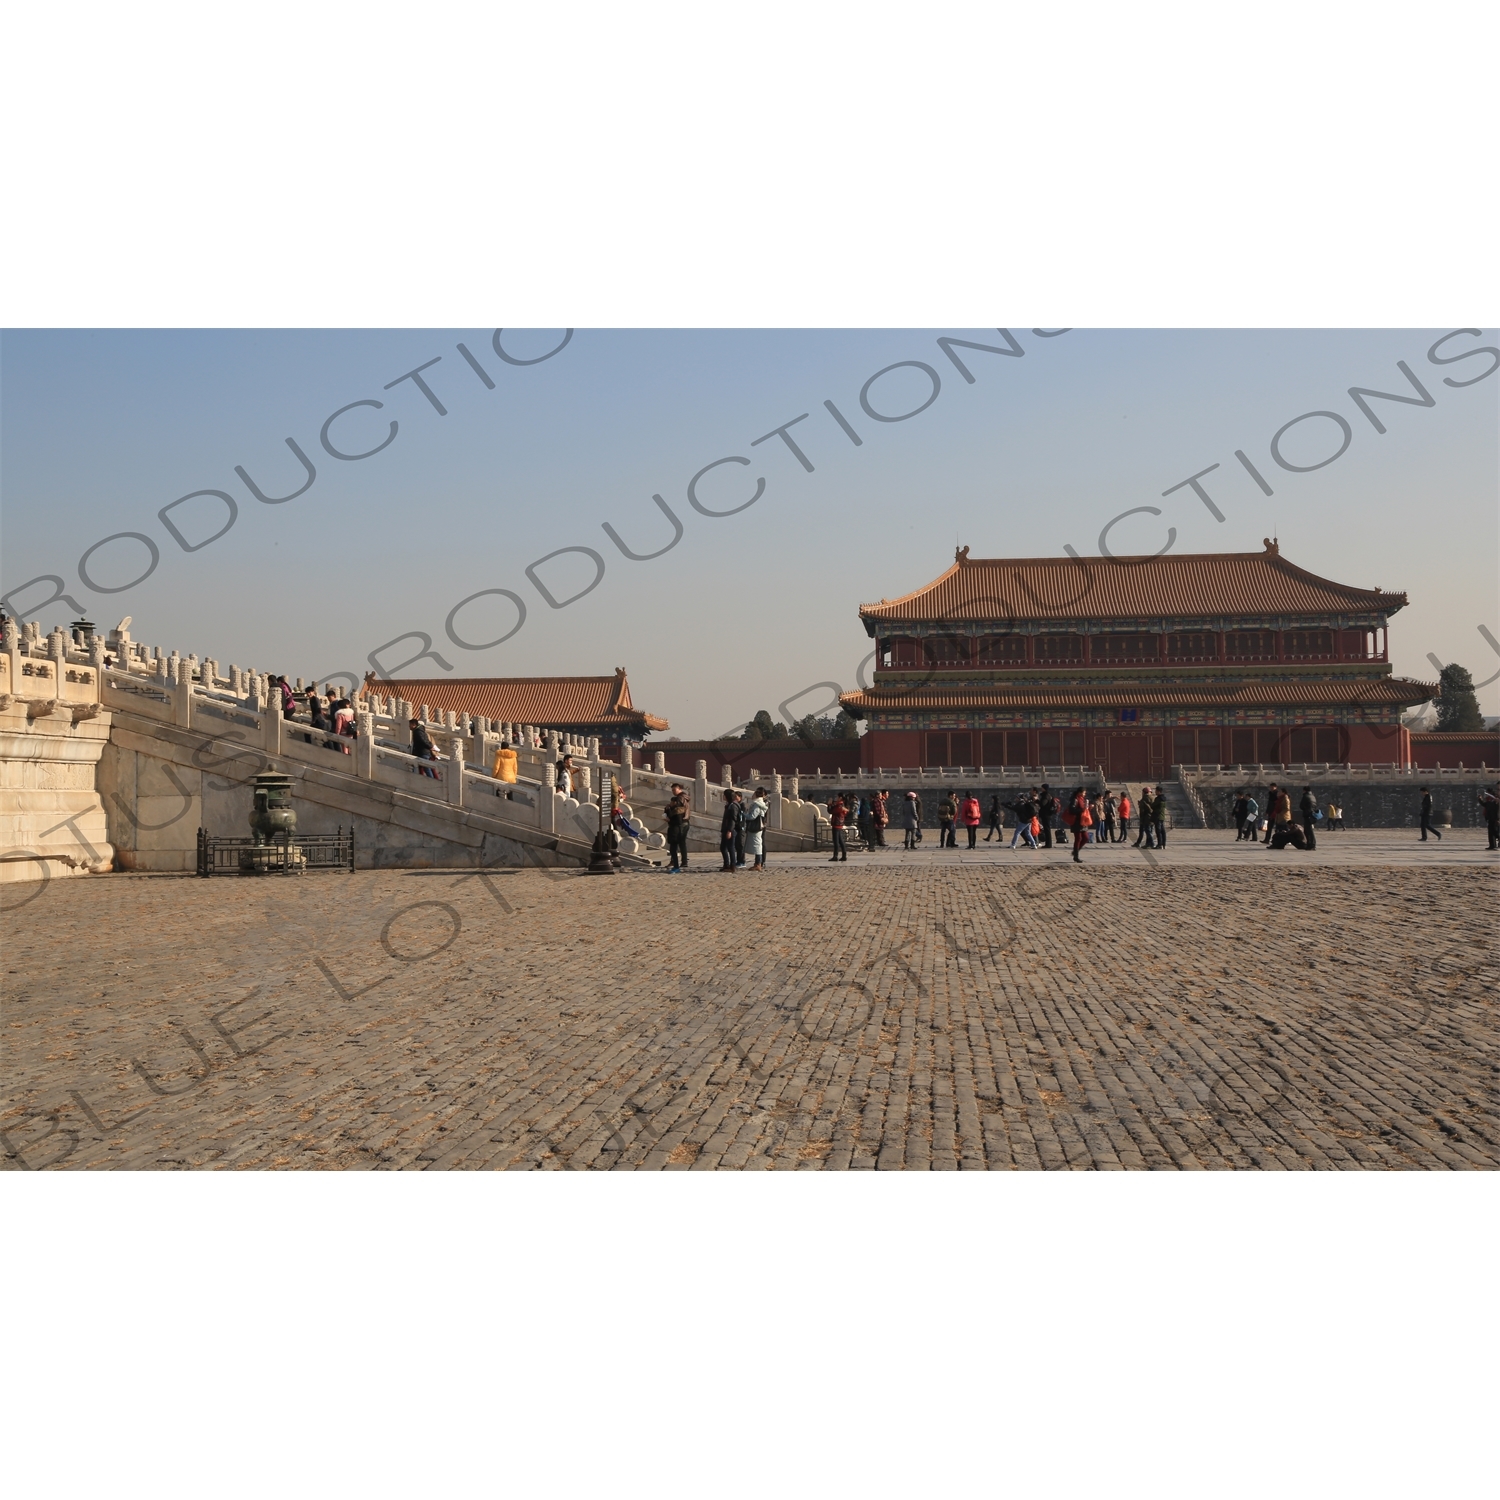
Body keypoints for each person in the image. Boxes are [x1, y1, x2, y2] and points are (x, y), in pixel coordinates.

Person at [665, 782, 691, 871]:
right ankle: (684, 861)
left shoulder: (680, 798)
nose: (673, 791)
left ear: (679, 789)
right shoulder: (685, 797)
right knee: (682, 843)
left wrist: (668, 809)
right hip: (685, 821)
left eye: (674, 790)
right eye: (672, 790)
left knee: (675, 843)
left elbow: (676, 811)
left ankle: (675, 861)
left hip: (680, 823)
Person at [744, 787, 769, 870]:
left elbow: (752, 816)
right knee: (758, 844)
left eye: (754, 794)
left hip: (756, 826)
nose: (752, 795)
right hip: (759, 826)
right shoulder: (760, 803)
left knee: (757, 844)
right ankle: (758, 863)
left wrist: (744, 815)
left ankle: (758, 863)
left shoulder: (757, 804)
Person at [719, 788, 741, 872]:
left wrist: (729, 831)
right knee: (723, 847)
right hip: (726, 829)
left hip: (731, 830)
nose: (723, 796)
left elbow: (733, 819)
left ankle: (732, 866)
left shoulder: (733, 806)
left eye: (724, 795)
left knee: (730, 847)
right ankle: (726, 864)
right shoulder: (729, 805)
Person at [1068, 786, 1091, 863]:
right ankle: (1076, 856)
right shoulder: (1075, 799)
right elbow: (1071, 810)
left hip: (1083, 821)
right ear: (1080, 793)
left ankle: (1075, 851)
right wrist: (1082, 809)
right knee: (1078, 839)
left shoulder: (1082, 799)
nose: (1085, 794)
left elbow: (1084, 810)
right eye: (1084, 793)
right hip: (1077, 822)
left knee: (1086, 838)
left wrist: (1089, 808)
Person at [828, 794, 848, 862]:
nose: (836, 798)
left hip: (836, 824)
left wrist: (829, 804)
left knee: (836, 841)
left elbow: (831, 811)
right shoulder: (841, 805)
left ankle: (835, 856)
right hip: (839, 824)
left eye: (837, 797)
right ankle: (844, 855)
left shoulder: (839, 806)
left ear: (840, 798)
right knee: (840, 841)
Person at [1478, 786, 1500, 850]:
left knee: (1496, 832)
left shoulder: (1496, 800)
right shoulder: (1490, 800)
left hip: (1496, 818)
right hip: (1490, 818)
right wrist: (1480, 799)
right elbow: (1485, 805)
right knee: (1491, 833)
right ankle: (1492, 845)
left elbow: (1498, 810)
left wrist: (1498, 819)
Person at [1299, 786, 1319, 851]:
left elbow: (1301, 806)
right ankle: (1311, 844)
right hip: (1312, 814)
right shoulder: (1313, 796)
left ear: (1304, 790)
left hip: (1307, 814)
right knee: (1309, 830)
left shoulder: (1305, 796)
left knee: (1308, 830)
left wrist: (1305, 809)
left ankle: (1311, 844)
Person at [1037, 783, 1056, 850]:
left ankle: (1048, 844)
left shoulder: (1046, 795)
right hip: (1047, 814)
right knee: (1046, 829)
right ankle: (1048, 843)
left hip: (1046, 814)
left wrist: (1037, 800)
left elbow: (1043, 804)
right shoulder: (1048, 795)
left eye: (1042, 788)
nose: (1041, 789)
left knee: (1047, 829)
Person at [732, 790, 747, 866]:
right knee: (737, 845)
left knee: (741, 845)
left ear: (740, 797)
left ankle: (742, 861)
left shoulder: (742, 805)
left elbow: (742, 817)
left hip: (741, 827)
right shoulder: (735, 805)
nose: (734, 798)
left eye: (736, 797)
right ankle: (738, 860)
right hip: (737, 827)